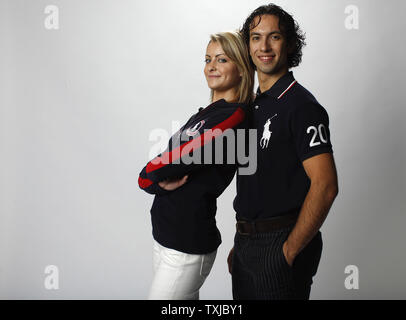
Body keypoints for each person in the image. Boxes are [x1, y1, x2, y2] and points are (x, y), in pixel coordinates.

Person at [229, 4, 339, 300]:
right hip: (245, 244)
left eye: (274, 37)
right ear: (247, 45)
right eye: (255, 37)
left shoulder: (302, 106)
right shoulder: (253, 105)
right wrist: (241, 244)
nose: (264, 46)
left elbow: (326, 186)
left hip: (281, 242)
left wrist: (288, 251)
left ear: (289, 44)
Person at [138, 31, 254, 300]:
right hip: (166, 235)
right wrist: (160, 176)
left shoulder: (234, 115)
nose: (211, 66)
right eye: (207, 59)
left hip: (186, 245)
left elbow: (178, 157)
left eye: (222, 59)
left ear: (241, 68)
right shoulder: (206, 113)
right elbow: (172, 155)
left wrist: (146, 178)